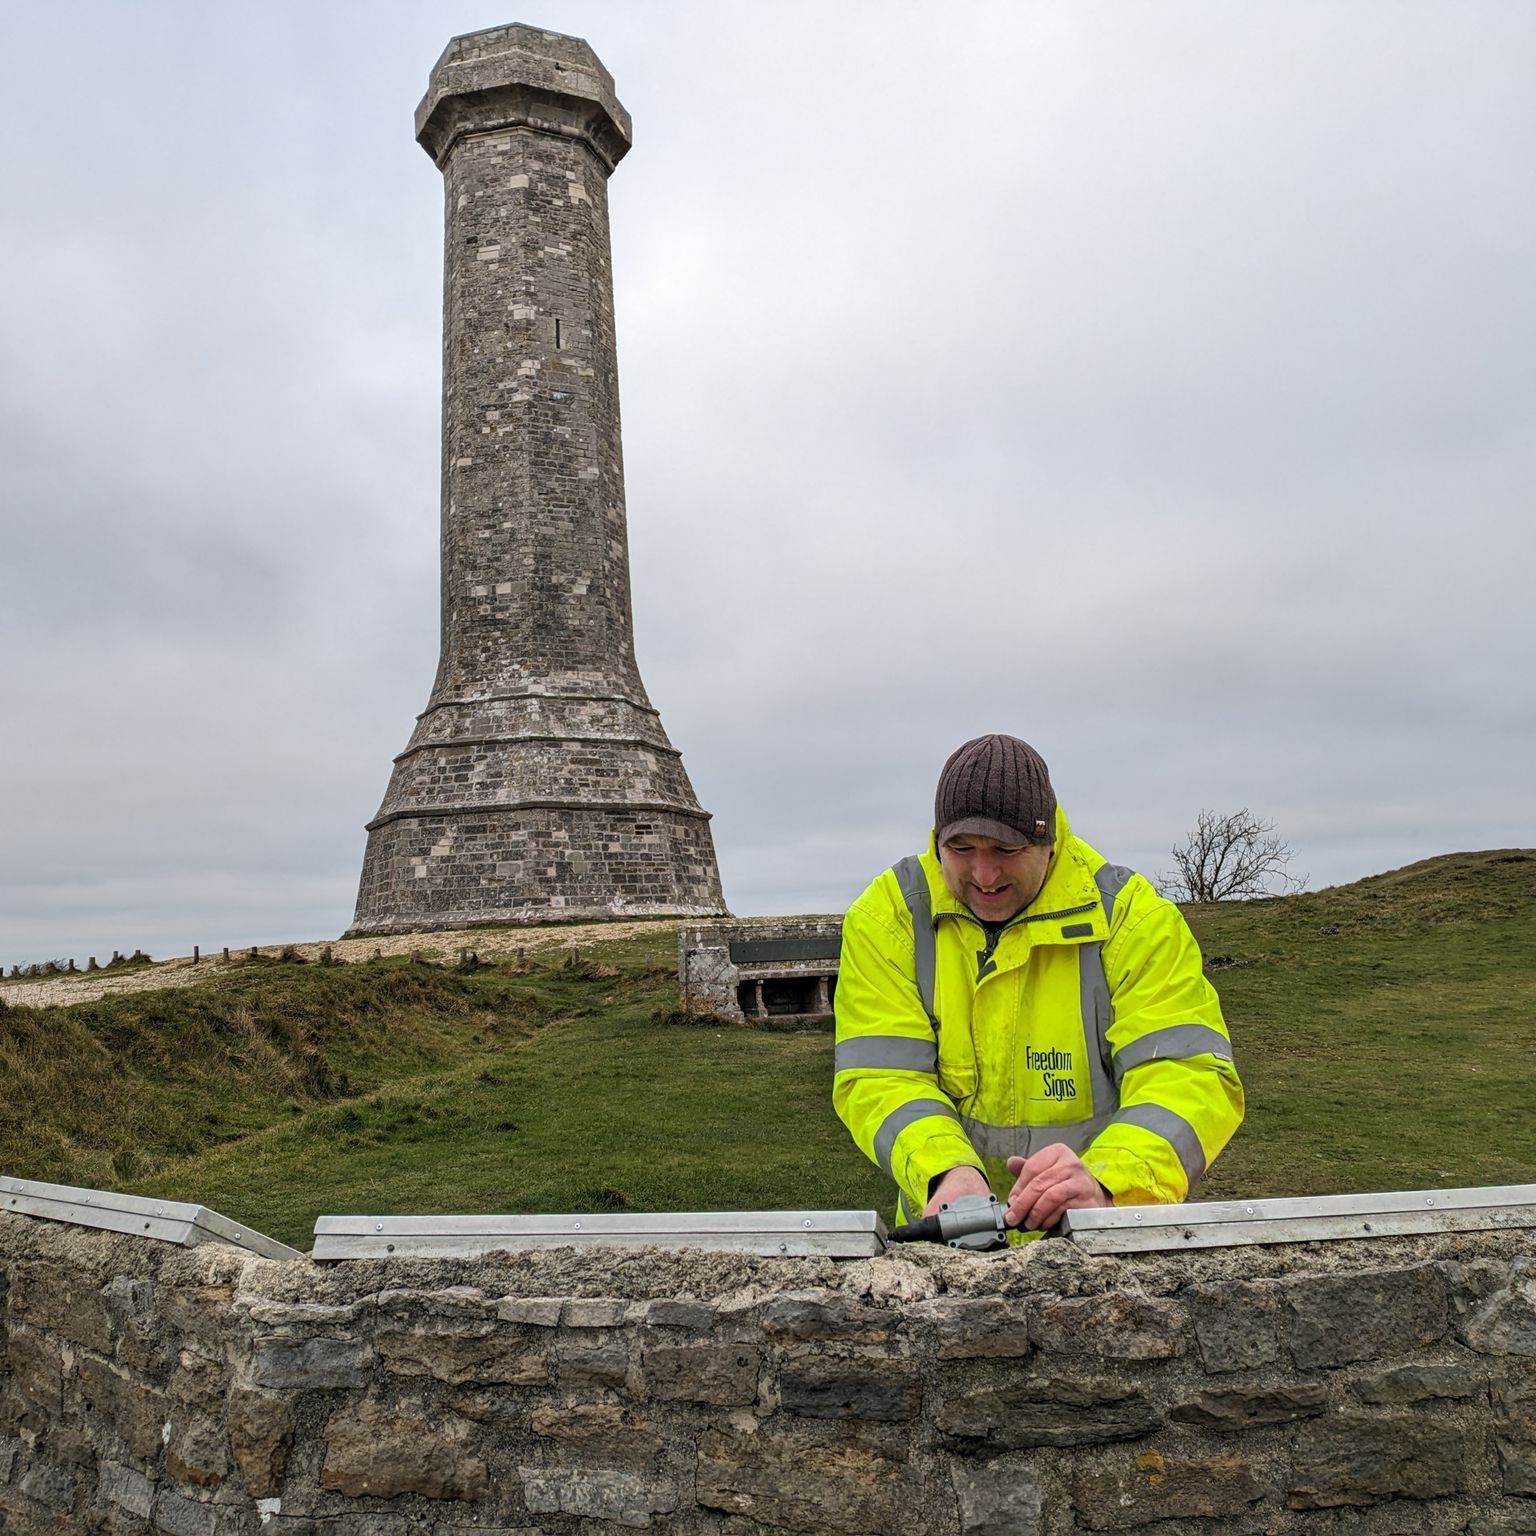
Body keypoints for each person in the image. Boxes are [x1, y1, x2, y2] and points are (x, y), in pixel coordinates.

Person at [833, 733, 1243, 1240]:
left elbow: (1189, 1075)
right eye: (960, 849)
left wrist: (1106, 1180)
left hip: (1097, 1242)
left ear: (1049, 843)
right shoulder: (889, 916)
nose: (984, 874)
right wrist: (945, 1170)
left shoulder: (1135, 920)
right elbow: (879, 1074)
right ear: (936, 837)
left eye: (1006, 849)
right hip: (952, 1244)